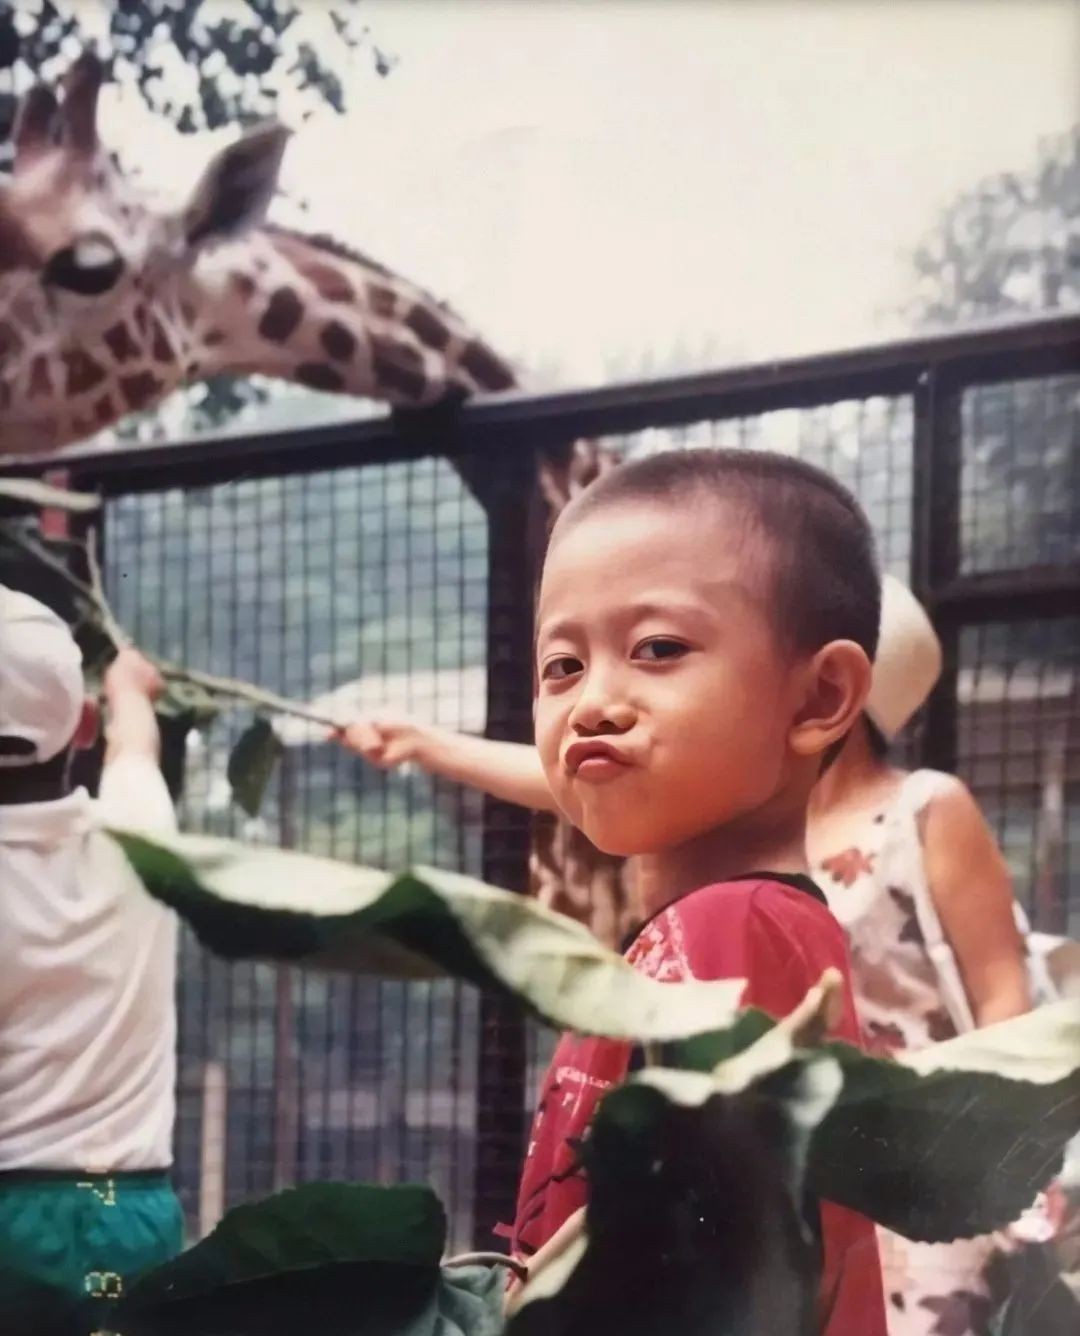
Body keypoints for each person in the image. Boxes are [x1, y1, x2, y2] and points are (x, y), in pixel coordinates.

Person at [345, 447, 888, 1333]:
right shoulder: (726, 927)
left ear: (819, 697)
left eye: (658, 650)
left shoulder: (731, 928)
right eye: (563, 666)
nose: (594, 702)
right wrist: (431, 746)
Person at [0, 588, 182, 1332]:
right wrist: (127, 686)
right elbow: (135, 746)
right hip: (132, 1215)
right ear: (79, 724)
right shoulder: (141, 839)